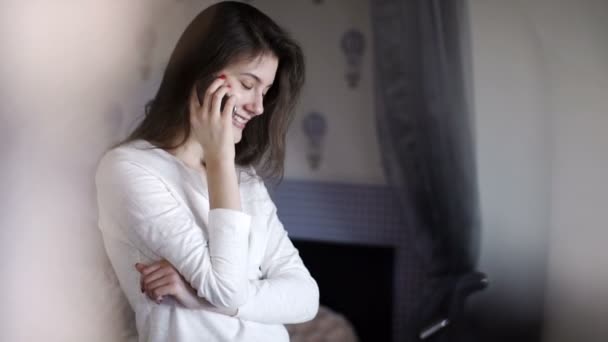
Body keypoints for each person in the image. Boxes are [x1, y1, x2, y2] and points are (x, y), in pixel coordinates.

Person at [95, 2, 319, 341]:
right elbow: (228, 291)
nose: (258, 107)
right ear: (201, 71)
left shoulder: (245, 179)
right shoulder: (129, 170)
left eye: (266, 91)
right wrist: (219, 159)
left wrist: (197, 297)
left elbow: (306, 298)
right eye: (248, 83)